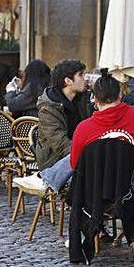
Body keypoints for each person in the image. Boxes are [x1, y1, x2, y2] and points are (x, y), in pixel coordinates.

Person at [17, 60, 93, 193]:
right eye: (81, 75)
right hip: (54, 160)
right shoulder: (48, 107)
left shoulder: (82, 98)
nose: (84, 79)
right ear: (68, 81)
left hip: (79, 153)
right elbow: (59, 143)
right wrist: (86, 156)